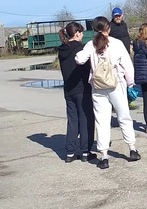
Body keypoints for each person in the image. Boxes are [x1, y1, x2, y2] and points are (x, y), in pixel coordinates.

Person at [75, 16, 141, 169]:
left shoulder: (90, 45)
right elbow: (128, 67)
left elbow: (79, 59)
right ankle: (132, 148)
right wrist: (130, 83)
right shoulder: (116, 44)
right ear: (108, 28)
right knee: (124, 116)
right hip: (116, 84)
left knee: (102, 121)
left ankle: (104, 156)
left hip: (98, 87)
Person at [57, 22, 95, 163]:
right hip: (82, 88)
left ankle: (70, 152)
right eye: (82, 32)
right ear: (77, 33)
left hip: (68, 89)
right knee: (85, 119)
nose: (83, 35)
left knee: (72, 120)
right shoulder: (81, 49)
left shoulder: (62, 49)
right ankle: (85, 152)